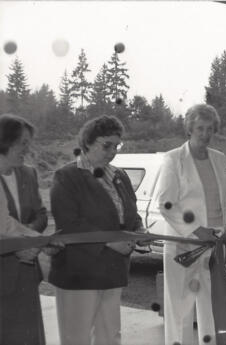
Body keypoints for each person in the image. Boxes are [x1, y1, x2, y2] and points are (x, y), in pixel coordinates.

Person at [49, 115, 144, 345]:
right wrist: (111, 242)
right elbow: (69, 222)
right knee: (77, 337)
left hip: (112, 272)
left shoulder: (119, 175)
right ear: (88, 142)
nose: (112, 151)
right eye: (106, 145)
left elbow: (130, 212)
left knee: (110, 336)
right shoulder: (66, 176)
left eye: (116, 146)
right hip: (79, 272)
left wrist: (140, 230)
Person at [157, 103, 226, 345]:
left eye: (210, 128)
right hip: (183, 244)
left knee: (210, 306)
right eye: (200, 128)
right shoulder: (174, 159)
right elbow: (166, 203)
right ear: (190, 128)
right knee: (180, 309)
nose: (205, 134)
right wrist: (196, 230)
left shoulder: (219, 158)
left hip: (214, 243)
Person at [0, 113, 48, 345]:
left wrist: (33, 238)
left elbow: (8, 222)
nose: (27, 149)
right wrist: (30, 240)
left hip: (26, 273)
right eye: (23, 143)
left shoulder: (28, 173)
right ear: (6, 141)